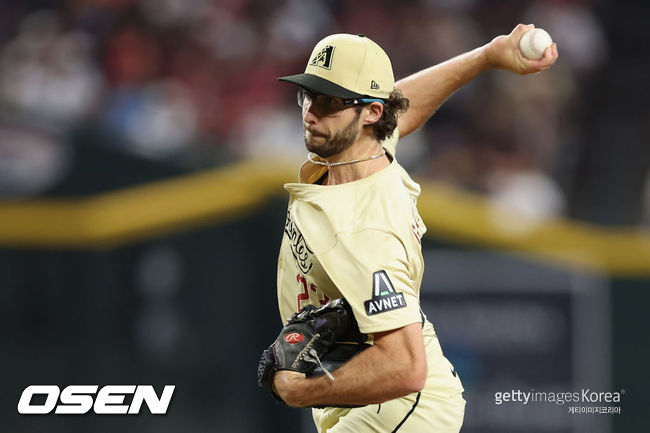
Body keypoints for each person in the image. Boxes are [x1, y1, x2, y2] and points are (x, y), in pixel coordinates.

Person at [271, 24, 558, 432]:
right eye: (308, 95)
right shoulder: (361, 149)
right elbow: (402, 108)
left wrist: (299, 391)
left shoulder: (360, 228)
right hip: (371, 399)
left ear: (370, 112)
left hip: (399, 407)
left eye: (330, 101)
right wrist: (486, 56)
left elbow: (405, 366)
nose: (311, 112)